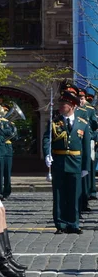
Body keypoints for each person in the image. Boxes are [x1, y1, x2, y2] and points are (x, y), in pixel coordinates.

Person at [43, 85, 91, 234]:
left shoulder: (82, 123)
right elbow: (46, 139)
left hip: (75, 163)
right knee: (59, 195)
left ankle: (73, 223)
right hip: (59, 162)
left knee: (75, 195)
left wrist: (85, 167)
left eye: (64, 104)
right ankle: (60, 224)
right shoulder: (54, 122)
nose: (61, 107)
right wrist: (47, 154)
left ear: (72, 106)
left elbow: (86, 148)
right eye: (60, 104)